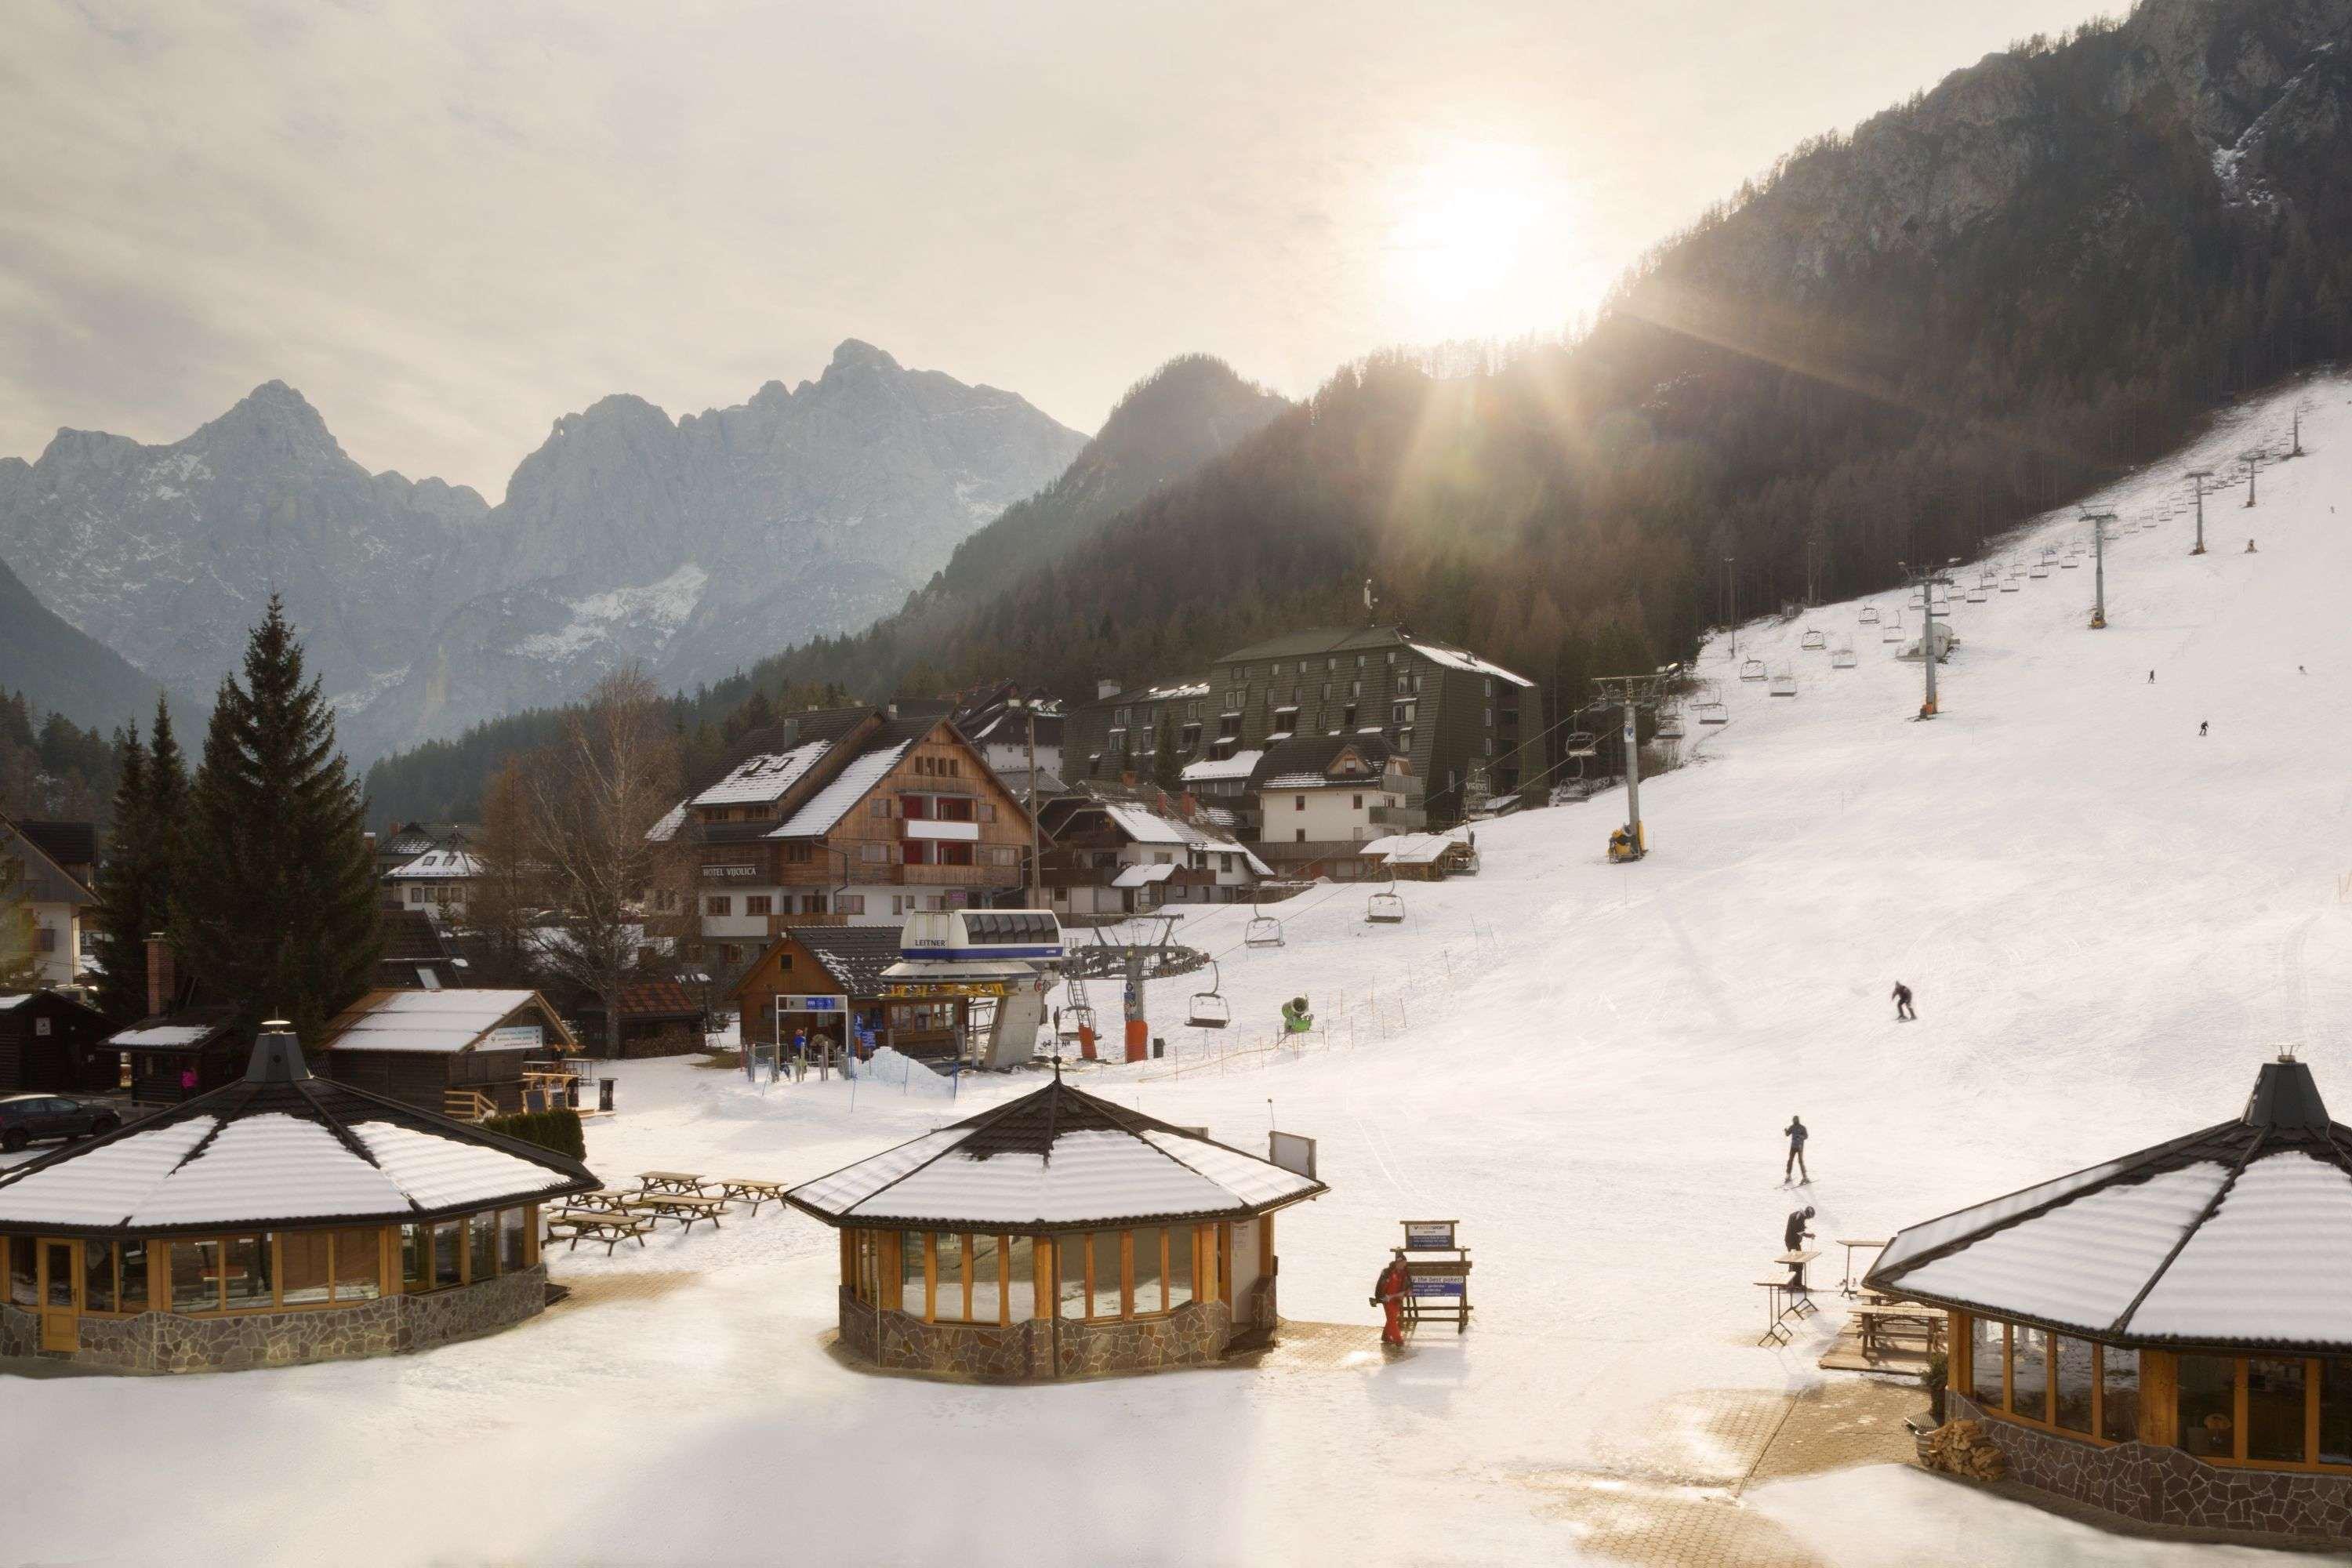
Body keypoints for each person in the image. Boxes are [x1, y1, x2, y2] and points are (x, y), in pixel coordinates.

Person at [1373, 1254, 1411, 1348]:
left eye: (1403, 1263)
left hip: (1396, 1299)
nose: (1401, 1264)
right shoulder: (1387, 1272)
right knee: (1392, 1320)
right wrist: (1379, 1298)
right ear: (1396, 1263)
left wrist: (1403, 1294)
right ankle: (1398, 1340)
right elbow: (1379, 1285)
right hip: (1386, 1299)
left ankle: (1385, 1336)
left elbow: (1409, 1287)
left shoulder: (1405, 1274)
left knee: (1392, 1318)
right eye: (1399, 1263)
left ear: (1405, 1263)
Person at [1783, 1206, 1817, 1290]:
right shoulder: (1800, 1217)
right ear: (1808, 1215)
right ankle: (1796, 1284)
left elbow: (1795, 1228)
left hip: (1791, 1241)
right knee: (1798, 1263)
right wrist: (1810, 1235)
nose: (1808, 1219)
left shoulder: (1796, 1214)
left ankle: (1789, 1283)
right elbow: (1800, 1232)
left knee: (1793, 1263)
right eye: (1809, 1217)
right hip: (1793, 1243)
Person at [1784, 1115, 1810, 1184]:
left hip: (1800, 1147)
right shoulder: (1792, 1127)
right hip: (1793, 1147)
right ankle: (1788, 1175)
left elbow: (1806, 1136)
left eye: (1795, 1120)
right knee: (1790, 1160)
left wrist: (1800, 1137)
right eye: (1794, 1120)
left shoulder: (1802, 1128)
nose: (1794, 1122)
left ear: (1797, 1120)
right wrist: (1786, 1131)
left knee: (1800, 1161)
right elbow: (1787, 1134)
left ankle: (1805, 1177)